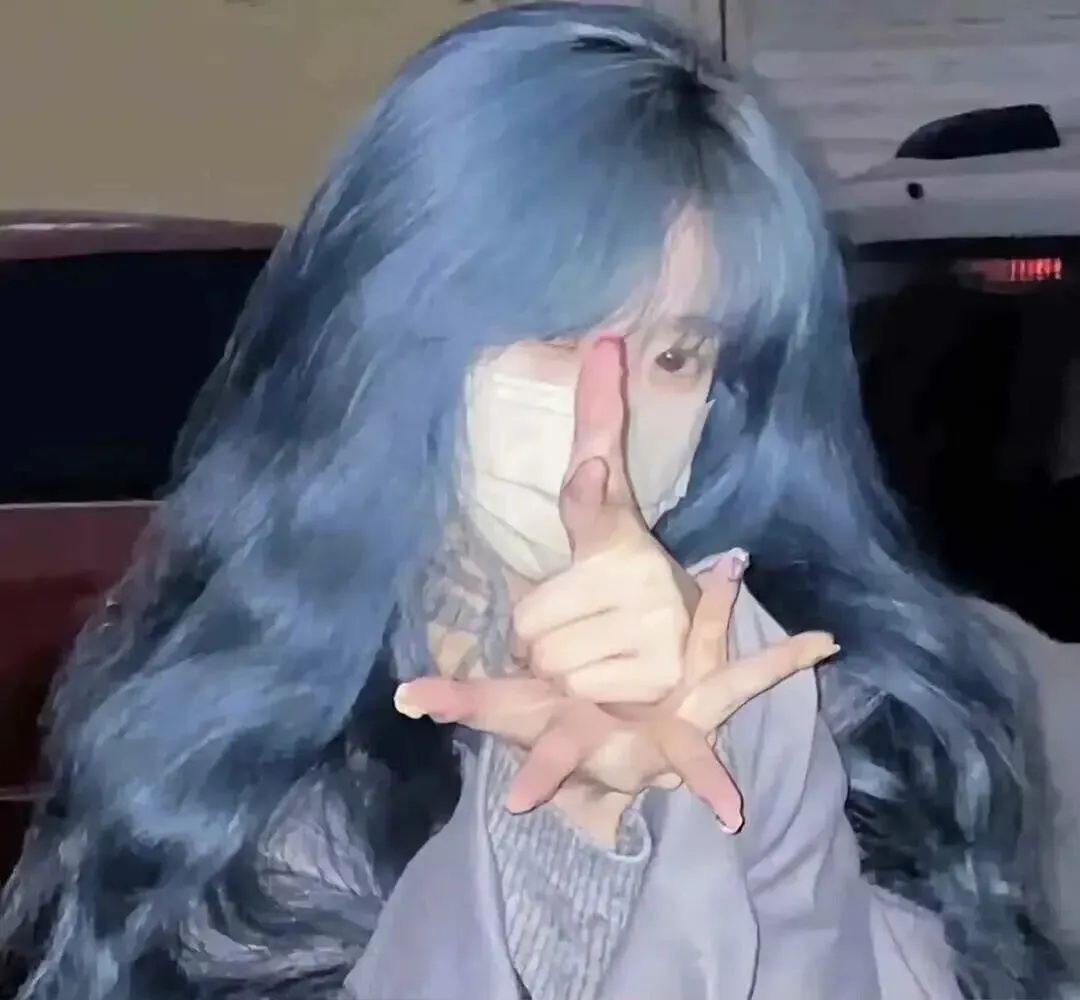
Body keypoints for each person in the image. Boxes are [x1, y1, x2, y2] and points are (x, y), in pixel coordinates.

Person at [0, 4, 1073, 999]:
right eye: (559, 337)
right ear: (387, 338)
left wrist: (725, 774)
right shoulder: (221, 709)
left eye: (678, 355)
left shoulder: (852, 705)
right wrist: (553, 825)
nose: (613, 410)